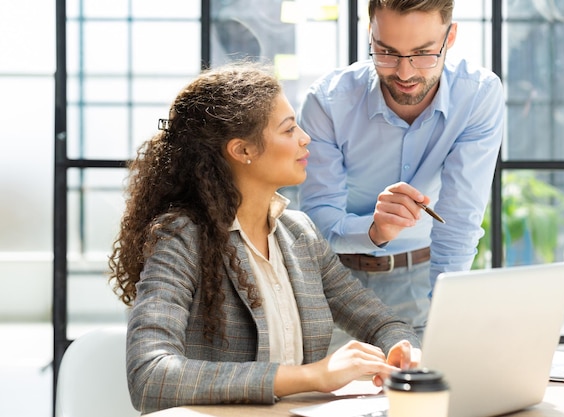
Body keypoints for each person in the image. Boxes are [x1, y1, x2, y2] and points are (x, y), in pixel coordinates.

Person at [108, 61, 421, 414]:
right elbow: (150, 376)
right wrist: (311, 377)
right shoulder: (181, 237)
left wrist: (403, 351)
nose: (305, 138)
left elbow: (382, 322)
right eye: (288, 130)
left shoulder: (299, 233)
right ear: (243, 151)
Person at [298, 0, 505, 350]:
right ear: (371, 35)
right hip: (333, 284)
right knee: (329, 404)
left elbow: (458, 219)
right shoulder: (328, 101)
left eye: (423, 54)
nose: (405, 74)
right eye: (387, 53)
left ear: (449, 37)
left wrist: (448, 313)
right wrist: (374, 231)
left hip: (422, 283)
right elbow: (318, 221)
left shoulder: (478, 95)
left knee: (426, 402)